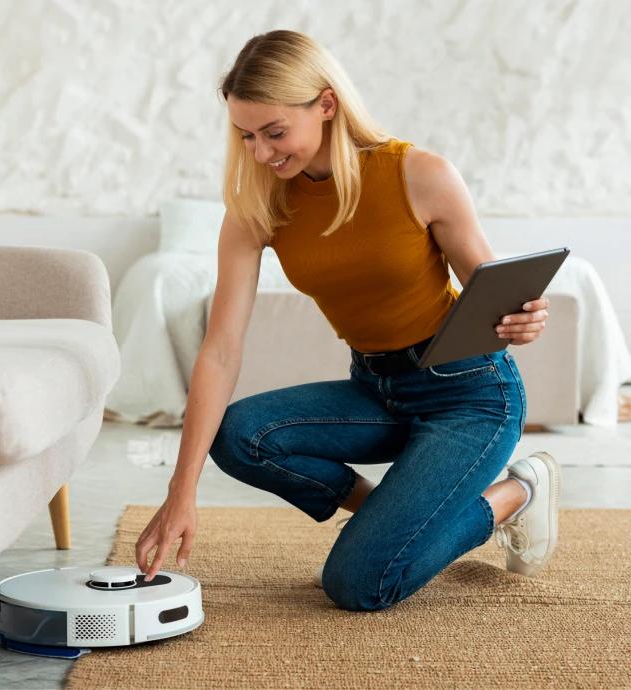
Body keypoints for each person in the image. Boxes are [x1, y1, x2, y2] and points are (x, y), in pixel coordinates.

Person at [134, 30, 561, 612]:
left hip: (469, 396)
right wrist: (180, 493)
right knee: (239, 435)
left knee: (359, 585)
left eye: (275, 132)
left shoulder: (420, 174)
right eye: (246, 136)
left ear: (327, 105)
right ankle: (398, 517)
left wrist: (523, 319)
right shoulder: (258, 204)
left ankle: (518, 490)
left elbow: (493, 292)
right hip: (376, 389)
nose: (261, 153)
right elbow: (221, 350)